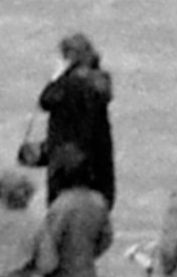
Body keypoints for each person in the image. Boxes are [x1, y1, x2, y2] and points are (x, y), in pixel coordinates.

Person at [34, 32, 118, 212]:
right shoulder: (100, 79)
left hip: (66, 155)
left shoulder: (66, 83)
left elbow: (45, 101)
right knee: (96, 206)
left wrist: (56, 77)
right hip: (96, 154)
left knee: (60, 208)